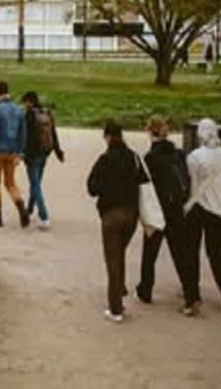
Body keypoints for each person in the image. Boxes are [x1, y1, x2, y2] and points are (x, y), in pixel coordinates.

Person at [87, 121, 148, 323]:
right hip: (131, 214)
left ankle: (116, 308)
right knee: (120, 252)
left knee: (112, 259)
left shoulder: (105, 159)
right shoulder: (134, 158)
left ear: (107, 137)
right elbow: (144, 182)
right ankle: (119, 286)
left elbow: (92, 187)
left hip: (111, 214)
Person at [135, 115, 191, 306]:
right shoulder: (178, 154)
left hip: (158, 209)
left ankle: (145, 288)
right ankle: (191, 292)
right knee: (180, 252)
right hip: (176, 207)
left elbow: (145, 186)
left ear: (150, 132)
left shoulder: (150, 158)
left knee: (150, 253)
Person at [182, 118, 221, 315]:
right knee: (216, 250)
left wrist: (187, 205)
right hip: (220, 207)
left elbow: (193, 185)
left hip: (198, 207)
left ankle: (192, 297)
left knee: (192, 250)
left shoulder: (194, 157)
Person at [0, 81, 29, 228]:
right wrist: (19, 151)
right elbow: (23, 134)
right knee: (10, 183)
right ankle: (20, 204)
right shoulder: (19, 110)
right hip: (12, 151)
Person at [22, 91, 65, 229]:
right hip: (45, 152)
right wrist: (58, 152)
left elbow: (25, 136)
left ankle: (44, 215)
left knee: (35, 184)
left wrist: (22, 153)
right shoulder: (47, 113)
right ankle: (29, 209)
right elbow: (53, 133)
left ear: (29, 101)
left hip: (32, 154)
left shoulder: (29, 115)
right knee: (36, 182)